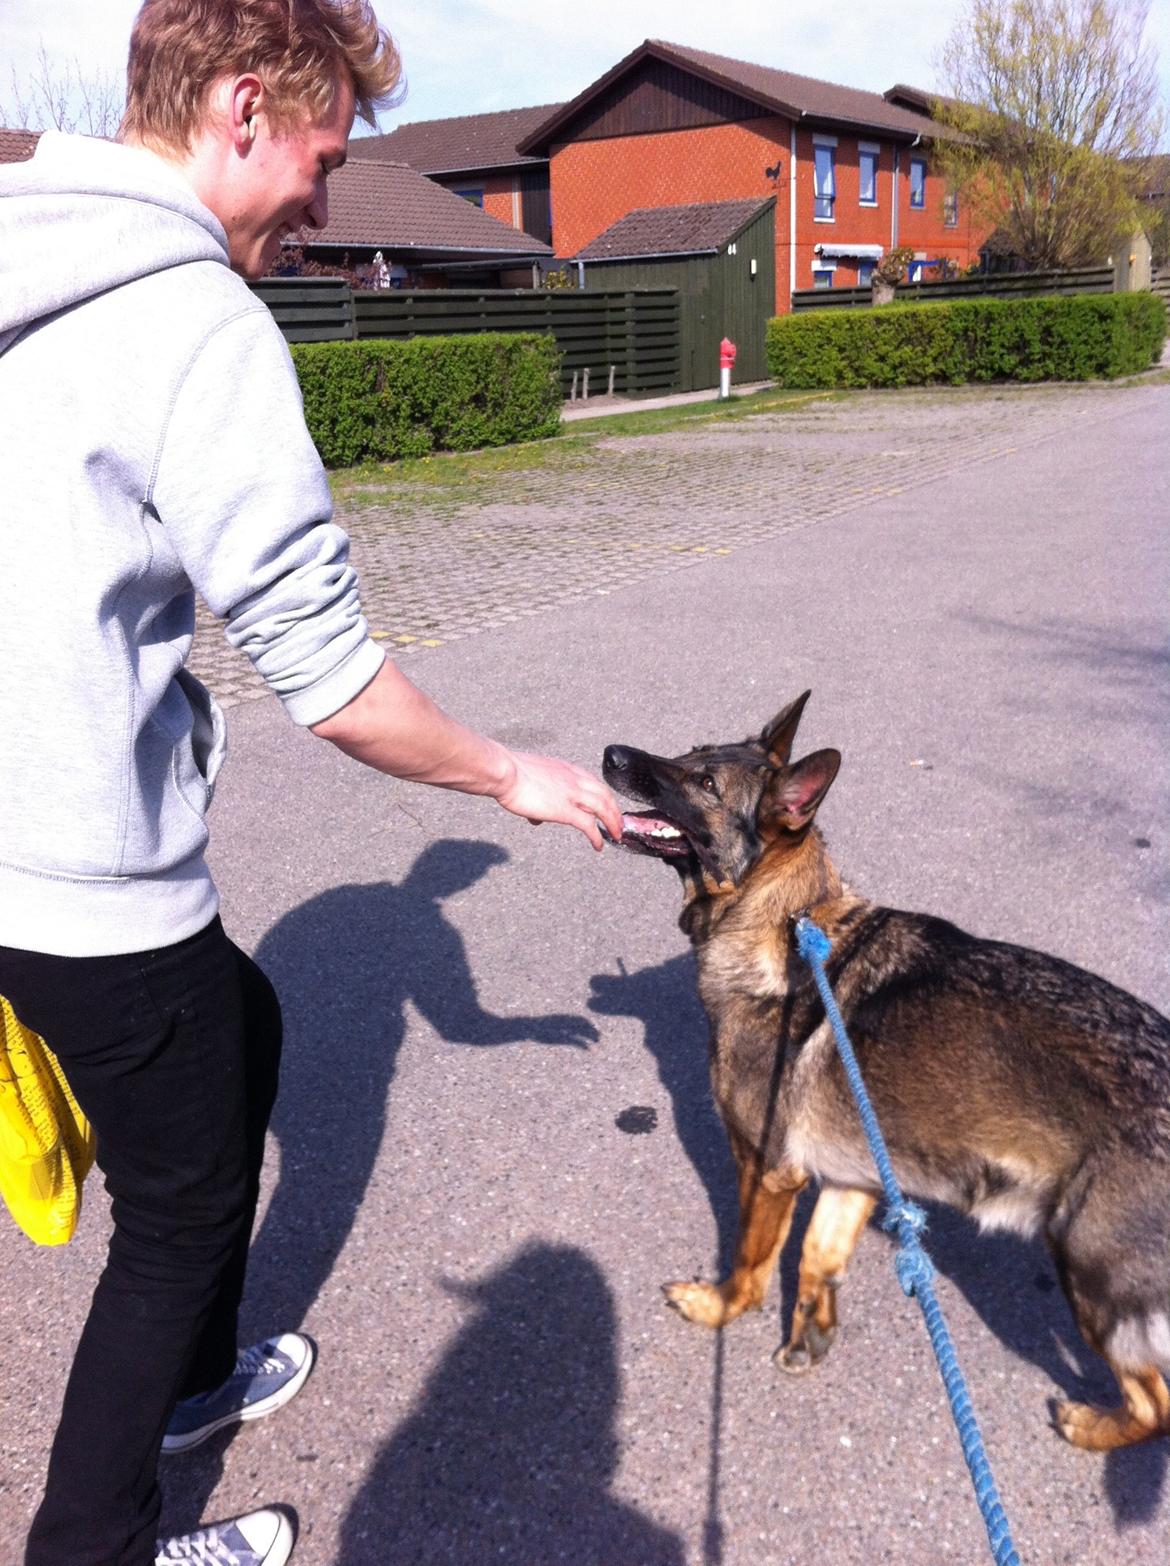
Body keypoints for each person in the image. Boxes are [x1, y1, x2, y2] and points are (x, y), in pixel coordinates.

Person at [0, 3, 623, 1564]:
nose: (329, 205)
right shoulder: (196, 323)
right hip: (78, 871)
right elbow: (333, 686)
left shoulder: (25, 254)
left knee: (251, 1023)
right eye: (326, 158)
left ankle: (199, 1378)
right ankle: (98, 1538)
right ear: (240, 108)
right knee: (185, 1215)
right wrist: (513, 775)